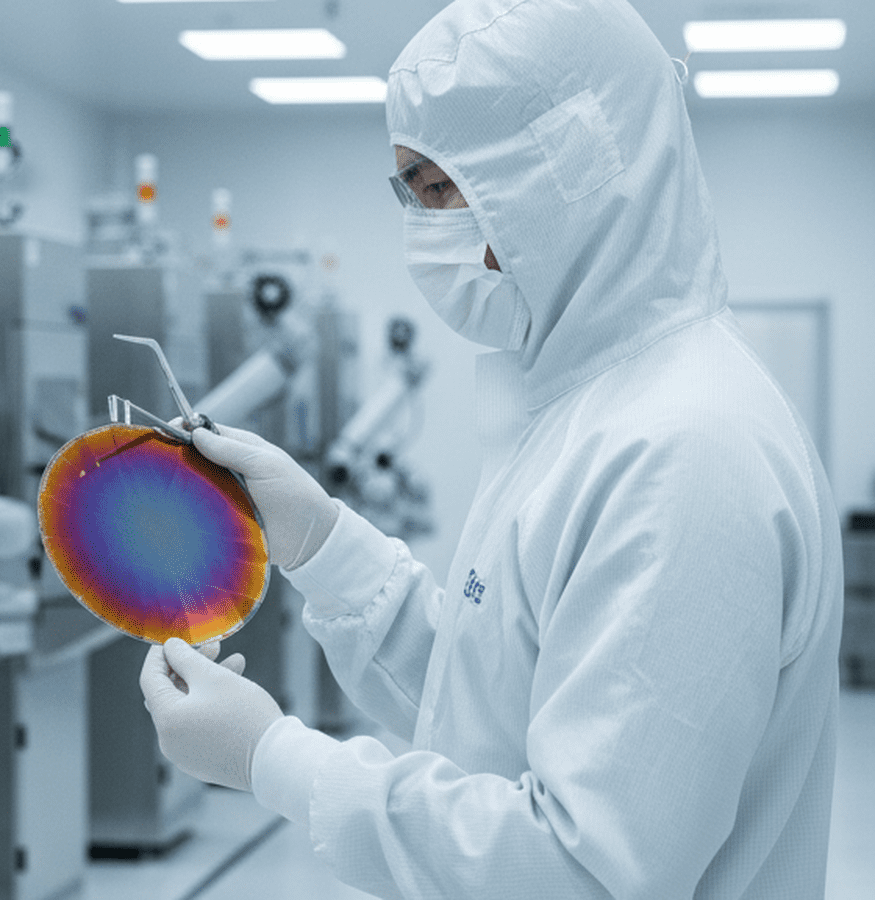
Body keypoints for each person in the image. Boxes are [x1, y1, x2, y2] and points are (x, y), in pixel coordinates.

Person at [138, 0, 844, 896]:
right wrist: (320, 540)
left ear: (565, 170)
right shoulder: (589, 407)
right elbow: (488, 701)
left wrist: (275, 758)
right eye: (412, 194)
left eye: (440, 190)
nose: (425, 230)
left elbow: (583, 869)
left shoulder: (684, 449)